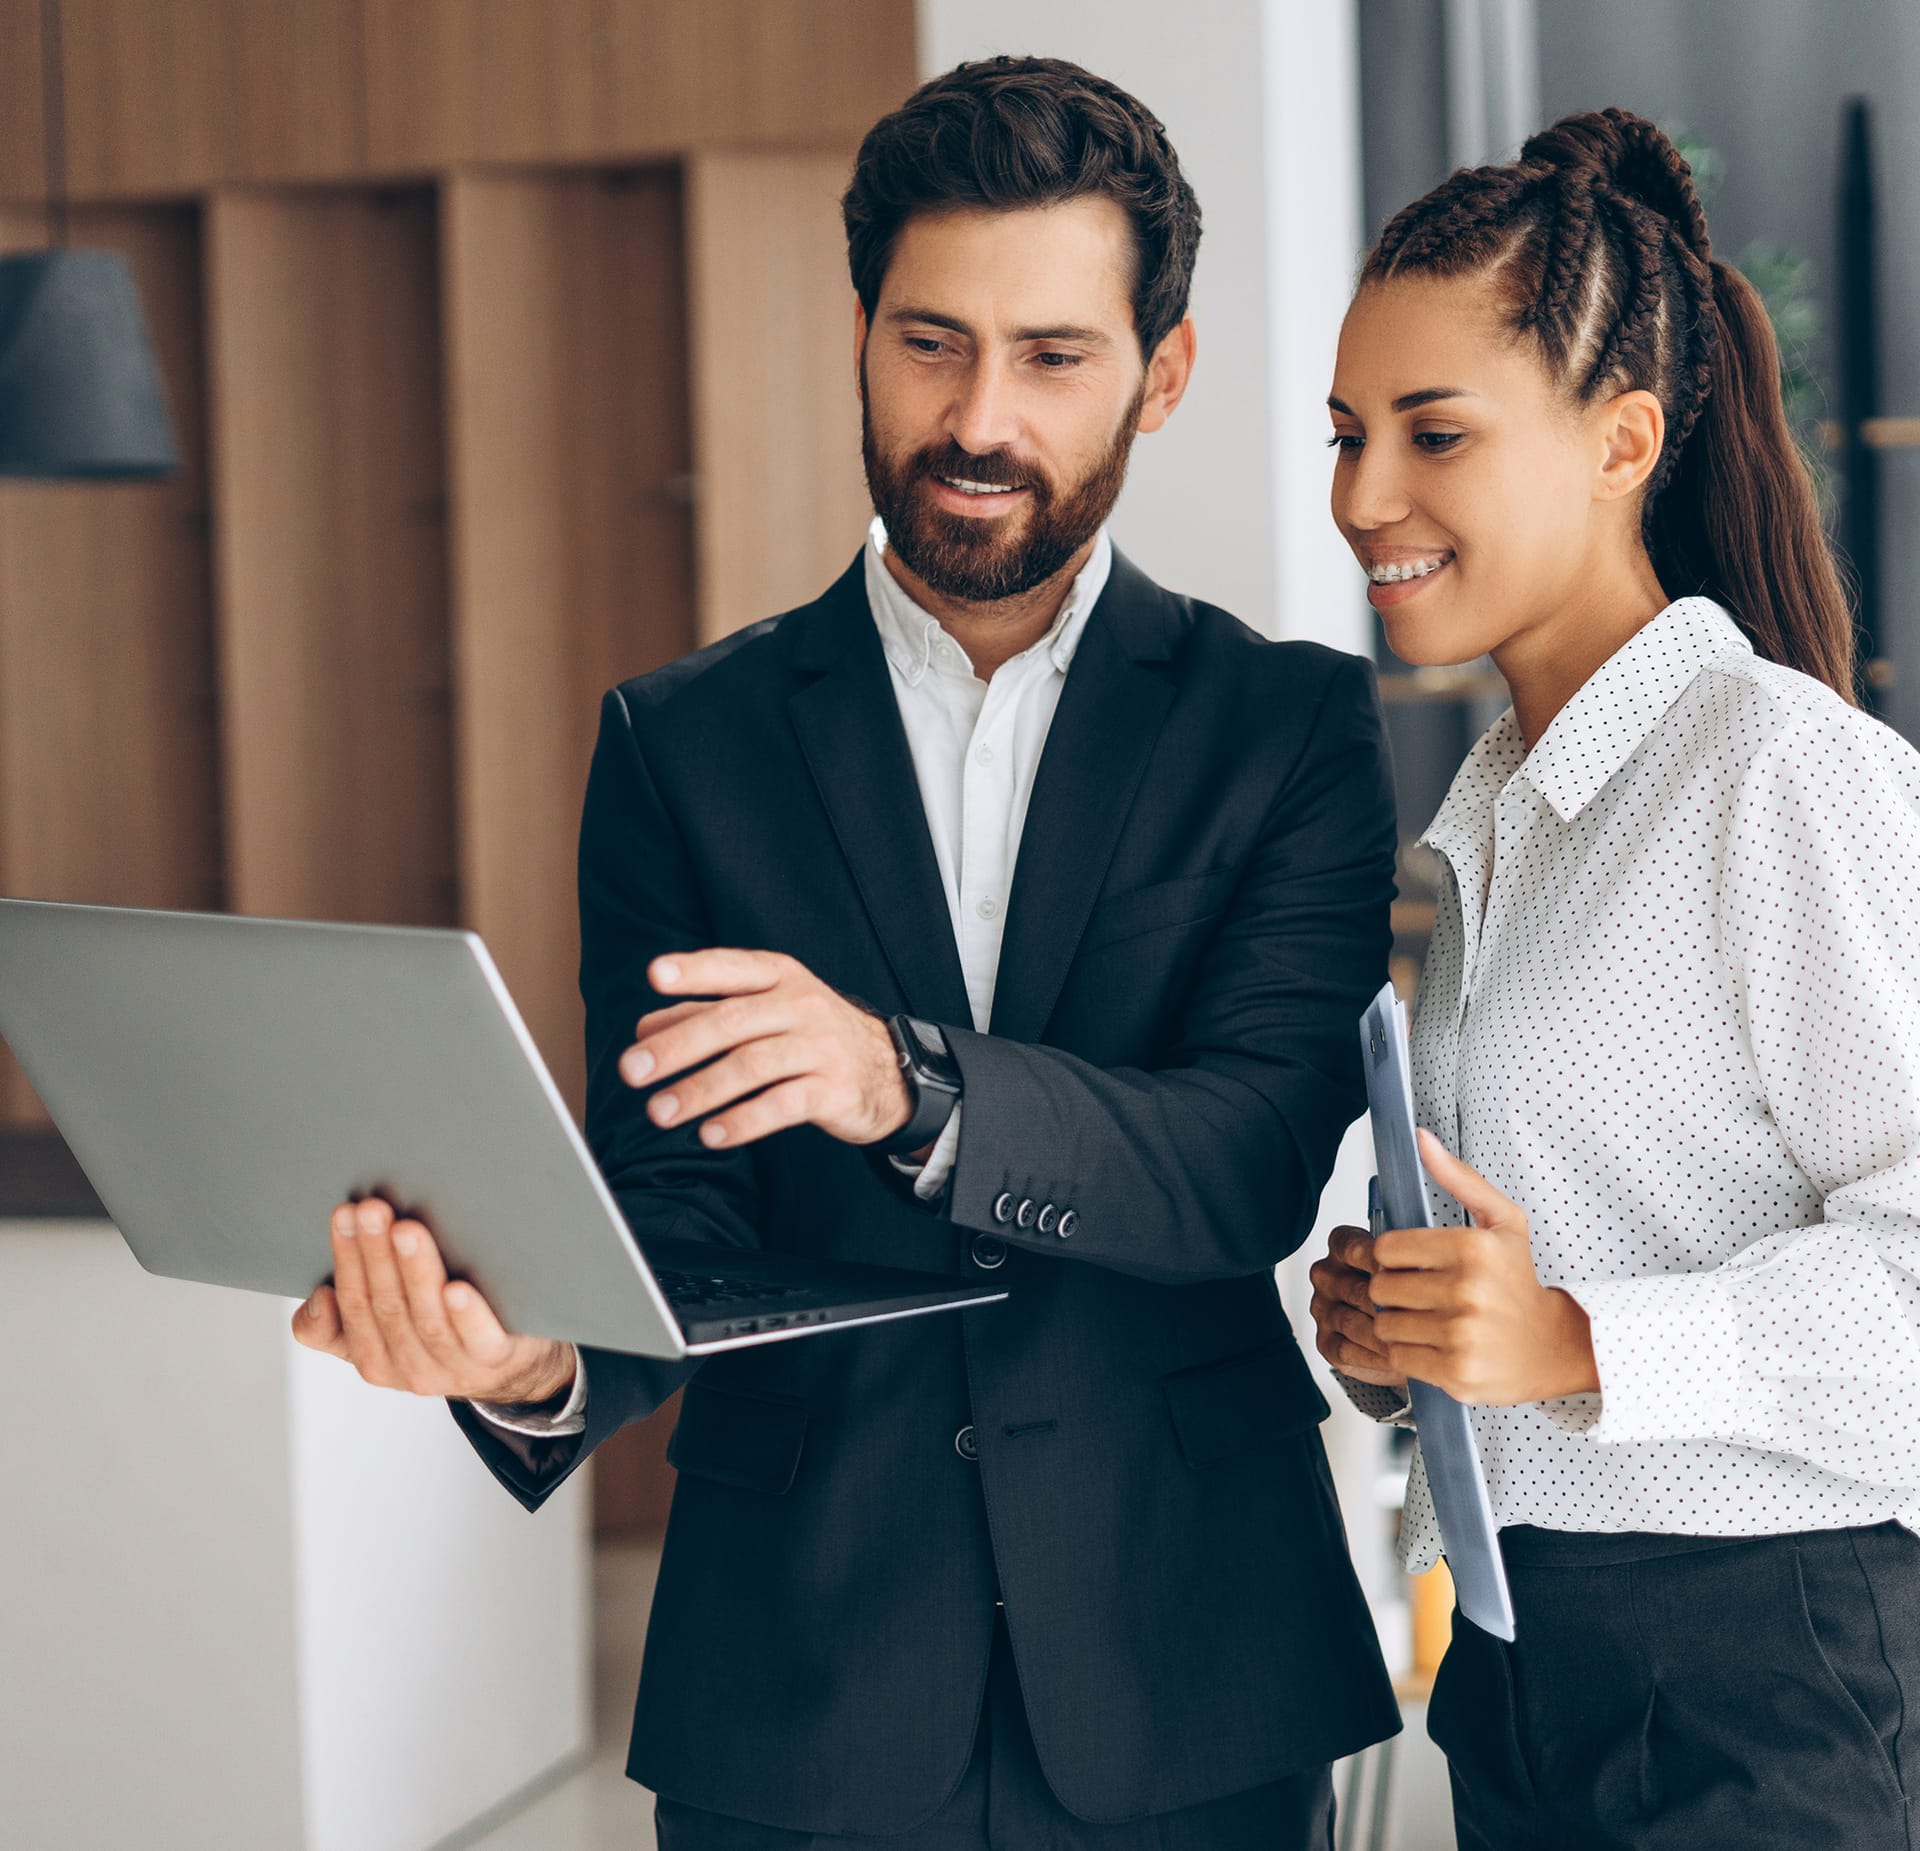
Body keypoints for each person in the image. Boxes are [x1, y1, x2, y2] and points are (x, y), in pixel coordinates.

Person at [294, 56, 1403, 1849]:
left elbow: (1249, 1161)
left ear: (1162, 372)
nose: (978, 415)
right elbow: (677, 1211)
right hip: (795, 1679)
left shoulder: (1286, 730)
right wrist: (529, 1361)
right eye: (929, 341)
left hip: (1185, 1664)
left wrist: (909, 1083)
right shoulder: (681, 741)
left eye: (1052, 355)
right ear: (862, 337)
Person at [1308, 105, 1920, 1850]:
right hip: (1527, 1662)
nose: (1364, 497)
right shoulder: (1505, 814)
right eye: (1347, 435)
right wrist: (1411, 1336)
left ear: (1621, 440)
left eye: (1434, 434)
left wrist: (1570, 1335)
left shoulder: (1781, 777)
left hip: (1756, 1671)